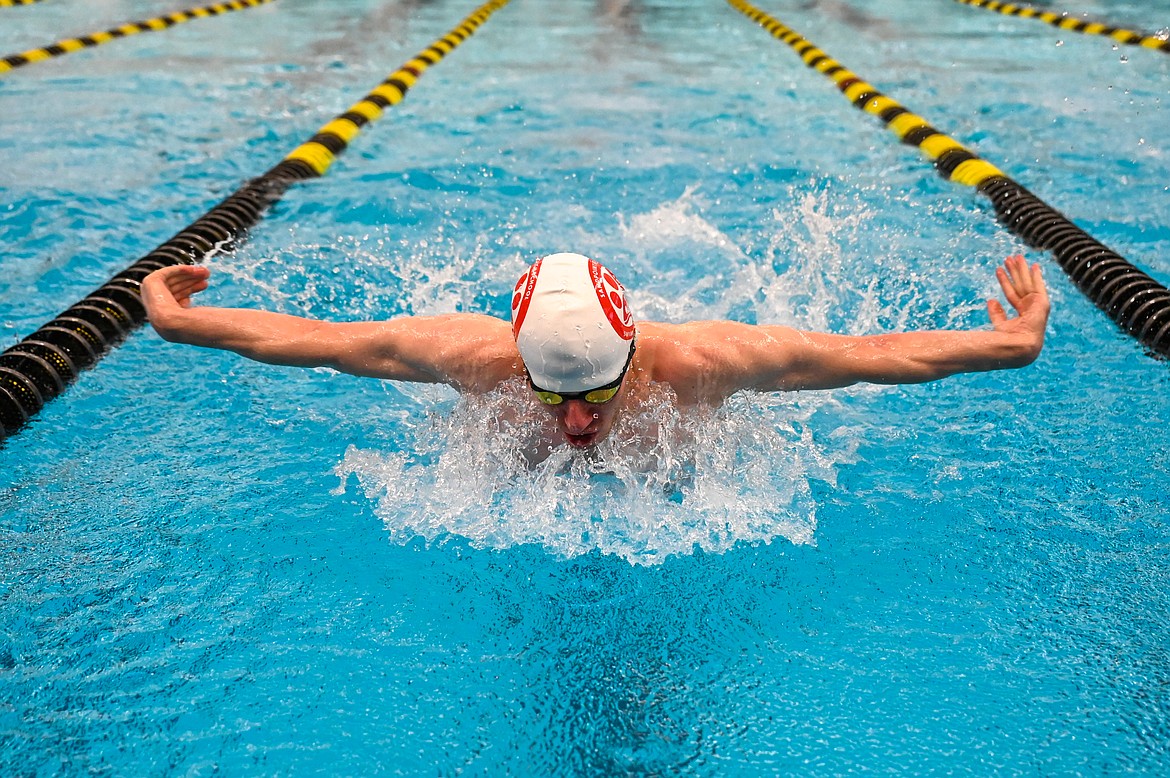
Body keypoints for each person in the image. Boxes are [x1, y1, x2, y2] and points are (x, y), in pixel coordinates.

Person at [141, 252, 1049, 450]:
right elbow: (321, 344)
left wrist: (1009, 343)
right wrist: (177, 321)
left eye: (596, 396)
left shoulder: (703, 361)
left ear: (634, 354)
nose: (576, 421)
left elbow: (871, 355)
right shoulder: (476, 355)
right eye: (551, 397)